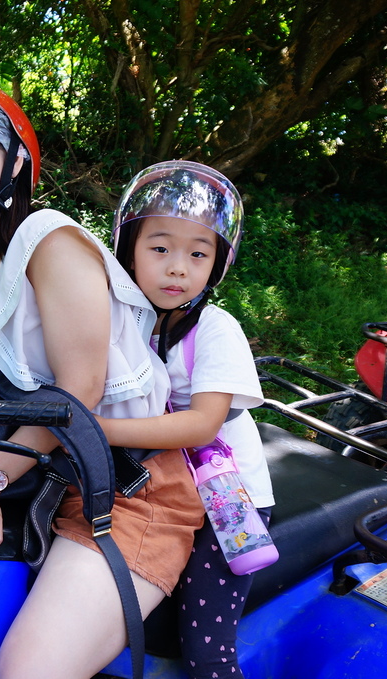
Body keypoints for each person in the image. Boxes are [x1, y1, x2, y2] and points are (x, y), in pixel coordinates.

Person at [0, 81, 205, 678]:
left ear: (15, 161)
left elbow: (77, 394)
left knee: (29, 671)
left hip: (127, 490)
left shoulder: (50, 242)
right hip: (40, 480)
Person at [96, 160, 275, 679]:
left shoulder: (216, 330)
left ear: (216, 263)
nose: (178, 267)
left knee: (205, 649)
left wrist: (97, 430)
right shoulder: (128, 322)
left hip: (226, 504)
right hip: (160, 492)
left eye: (198, 253)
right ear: (128, 249)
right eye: (160, 248)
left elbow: (202, 424)